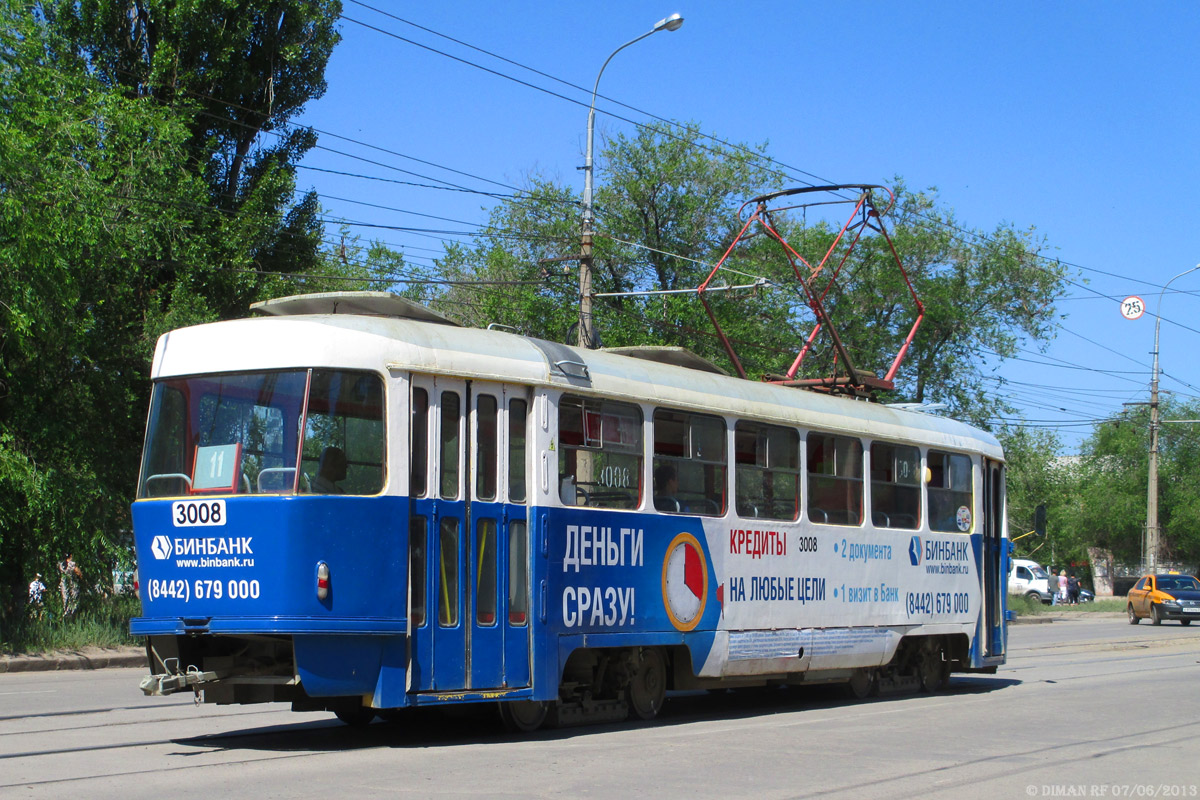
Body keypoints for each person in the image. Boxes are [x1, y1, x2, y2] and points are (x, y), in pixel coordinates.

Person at [58, 554, 81, 618]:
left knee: (65, 599)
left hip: (63, 585)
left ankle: (65, 613)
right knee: (74, 600)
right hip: (72, 584)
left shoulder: (61, 564)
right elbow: (78, 572)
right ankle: (71, 615)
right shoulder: (72, 564)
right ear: (71, 556)